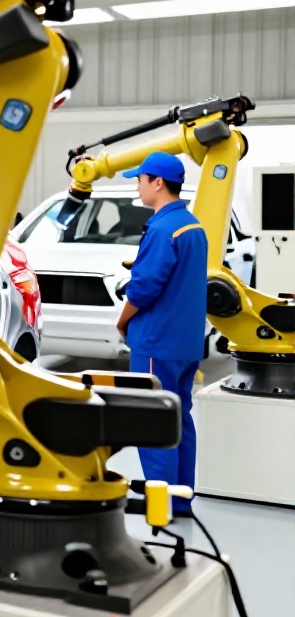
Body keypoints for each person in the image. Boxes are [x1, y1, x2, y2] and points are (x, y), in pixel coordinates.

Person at [115, 151, 206, 517]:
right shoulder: (192, 226)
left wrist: (123, 321)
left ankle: (160, 505)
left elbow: (144, 287)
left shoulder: (161, 229)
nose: (137, 187)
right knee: (180, 416)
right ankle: (181, 500)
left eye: (140, 179)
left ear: (157, 182)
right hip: (185, 344)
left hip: (156, 342)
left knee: (154, 421)